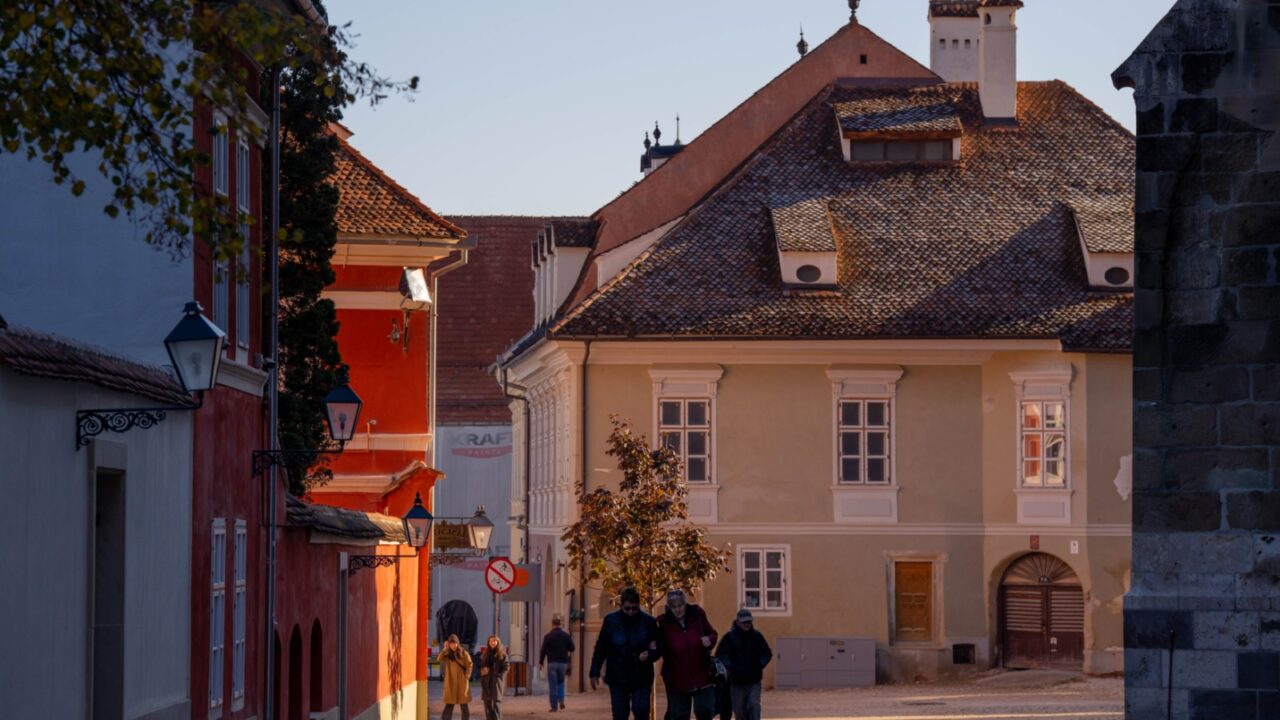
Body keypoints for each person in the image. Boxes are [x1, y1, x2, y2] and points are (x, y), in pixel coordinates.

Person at [590, 587, 660, 720]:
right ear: (621, 605)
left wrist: (649, 655)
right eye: (627, 608)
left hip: (641, 676)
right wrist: (594, 671)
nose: (631, 612)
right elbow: (601, 647)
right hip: (618, 676)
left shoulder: (649, 622)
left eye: (634, 608)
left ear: (639, 606)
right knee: (620, 714)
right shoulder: (611, 621)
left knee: (641, 710)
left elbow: (658, 647)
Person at [655, 589, 719, 720]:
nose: (678, 609)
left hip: (702, 674)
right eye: (674, 607)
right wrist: (653, 647)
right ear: (669, 608)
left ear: (685, 604)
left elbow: (713, 634)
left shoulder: (697, 614)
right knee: (679, 715)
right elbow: (659, 647)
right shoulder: (663, 623)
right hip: (677, 678)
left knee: (705, 710)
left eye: (680, 605)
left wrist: (709, 640)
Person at [714, 610, 772, 720]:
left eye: (749, 622)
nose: (747, 624)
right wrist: (731, 666)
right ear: (738, 622)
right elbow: (720, 654)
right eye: (744, 622)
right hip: (737, 681)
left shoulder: (757, 636)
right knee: (739, 709)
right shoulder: (729, 637)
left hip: (754, 679)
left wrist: (759, 665)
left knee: (754, 704)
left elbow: (767, 653)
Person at [539, 615, 576, 712]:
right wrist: (565, 648)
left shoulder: (548, 636)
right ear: (560, 625)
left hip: (552, 663)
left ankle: (554, 707)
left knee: (553, 685)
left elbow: (543, 650)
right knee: (561, 682)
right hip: (563, 663)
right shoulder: (566, 636)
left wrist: (541, 662)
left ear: (552, 625)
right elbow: (572, 648)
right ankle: (562, 700)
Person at [440, 634, 475, 720]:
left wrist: (467, 675)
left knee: (464, 705)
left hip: (461, 682)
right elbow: (439, 659)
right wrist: (444, 649)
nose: (453, 646)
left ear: (458, 643)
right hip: (450, 681)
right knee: (449, 704)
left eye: (455, 643)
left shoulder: (463, 653)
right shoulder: (447, 653)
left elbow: (469, 664)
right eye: (451, 644)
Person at [479, 635, 509, 720]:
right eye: (491, 641)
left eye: (494, 641)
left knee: (496, 704)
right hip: (486, 681)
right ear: (488, 642)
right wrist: (483, 671)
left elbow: (507, 666)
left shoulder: (502, 654)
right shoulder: (485, 653)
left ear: (497, 642)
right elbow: (481, 666)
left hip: (496, 682)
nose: (492, 642)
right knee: (487, 705)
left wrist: (499, 675)